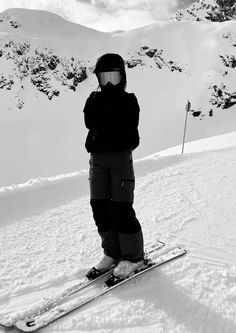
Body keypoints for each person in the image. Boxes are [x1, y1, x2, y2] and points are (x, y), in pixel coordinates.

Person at [83, 53, 145, 280]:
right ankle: (112, 253)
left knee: (121, 209)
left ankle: (134, 257)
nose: (109, 83)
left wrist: (107, 116)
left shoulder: (129, 101)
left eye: (114, 77)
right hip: (97, 159)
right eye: (104, 77)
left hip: (120, 159)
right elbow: (90, 121)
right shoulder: (93, 99)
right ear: (99, 78)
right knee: (99, 207)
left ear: (123, 77)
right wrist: (108, 114)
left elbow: (127, 128)